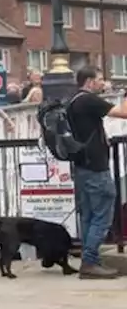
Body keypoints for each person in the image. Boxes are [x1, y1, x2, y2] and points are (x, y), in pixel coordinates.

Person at [66, 66, 127, 279]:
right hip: (96, 168)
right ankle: (90, 263)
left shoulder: (73, 101)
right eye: (100, 79)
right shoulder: (88, 100)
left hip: (82, 167)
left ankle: (91, 260)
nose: (103, 83)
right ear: (90, 82)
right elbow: (123, 113)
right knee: (102, 215)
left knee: (90, 217)